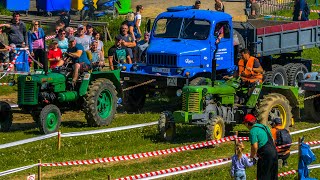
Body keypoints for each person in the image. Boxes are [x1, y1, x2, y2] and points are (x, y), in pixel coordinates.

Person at [243, 114, 278, 180]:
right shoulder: (265, 127)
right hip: (274, 152)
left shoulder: (253, 131)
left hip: (265, 155)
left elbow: (255, 147)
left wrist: (252, 157)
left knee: (264, 176)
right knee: (273, 176)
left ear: (247, 123)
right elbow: (272, 140)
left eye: (244, 124)